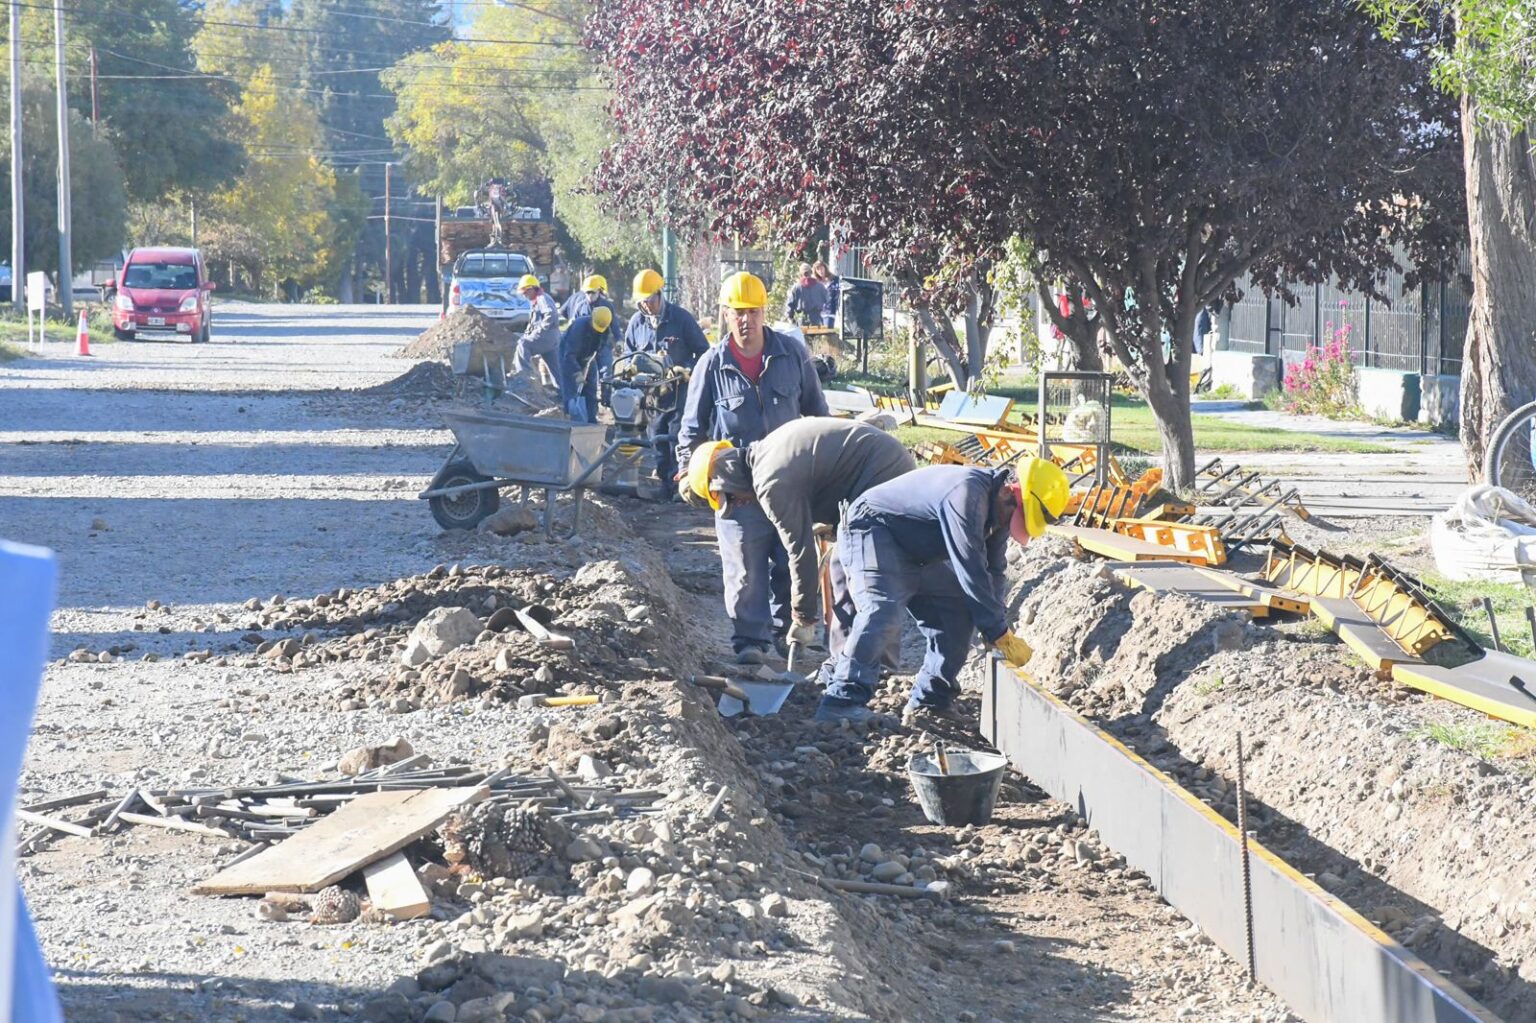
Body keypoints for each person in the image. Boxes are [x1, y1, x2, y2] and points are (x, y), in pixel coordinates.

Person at [816, 458, 1070, 724]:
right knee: (882, 607)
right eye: (1016, 517)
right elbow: (970, 569)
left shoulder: (999, 511)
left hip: (914, 549)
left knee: (957, 610)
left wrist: (999, 627)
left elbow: (993, 571)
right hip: (872, 529)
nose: (1010, 524)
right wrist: (996, 630)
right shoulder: (967, 496)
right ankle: (841, 700)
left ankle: (931, 699)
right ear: (1009, 491)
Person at [677, 271, 829, 663]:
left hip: (790, 485)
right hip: (739, 487)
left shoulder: (792, 356)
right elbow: (691, 428)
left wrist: (826, 473)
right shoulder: (711, 365)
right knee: (745, 573)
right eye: (738, 312)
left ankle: (786, 634)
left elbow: (817, 414)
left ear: (765, 312)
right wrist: (687, 472)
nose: (746, 320)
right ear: (726, 314)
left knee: (791, 563)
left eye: (754, 312)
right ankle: (751, 642)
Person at [684, 417, 915, 674]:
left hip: (882, 474)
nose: (738, 504)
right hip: (881, 466)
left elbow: (801, 553)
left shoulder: (770, 482)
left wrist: (803, 616)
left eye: (731, 499)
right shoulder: (766, 453)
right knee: (846, 567)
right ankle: (850, 665)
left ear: (726, 482)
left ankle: (868, 669)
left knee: (860, 571)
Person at [622, 268, 710, 485]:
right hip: (652, 394)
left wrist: (686, 369)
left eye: (648, 301)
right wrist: (630, 367)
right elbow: (628, 352)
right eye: (641, 302)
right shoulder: (636, 322)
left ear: (659, 294)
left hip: (679, 392)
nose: (645, 306)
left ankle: (679, 482)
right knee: (657, 436)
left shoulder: (680, 319)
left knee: (676, 435)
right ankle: (664, 479)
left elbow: (704, 352)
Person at [557, 306, 614, 423]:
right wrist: (577, 373)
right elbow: (569, 354)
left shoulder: (604, 330)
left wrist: (605, 381)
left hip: (587, 358)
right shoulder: (579, 327)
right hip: (568, 357)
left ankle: (591, 421)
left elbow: (602, 354)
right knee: (572, 391)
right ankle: (571, 420)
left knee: (591, 390)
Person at [513, 273, 561, 384]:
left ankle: (524, 377)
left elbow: (550, 314)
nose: (524, 295)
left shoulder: (542, 298)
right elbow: (533, 323)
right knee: (555, 369)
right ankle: (562, 394)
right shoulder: (537, 300)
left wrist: (540, 330)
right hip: (551, 339)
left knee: (523, 344)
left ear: (531, 289)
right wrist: (528, 333)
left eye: (525, 292)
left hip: (547, 336)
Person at [785, 262, 828, 327]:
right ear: (811, 272)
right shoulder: (820, 286)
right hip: (817, 320)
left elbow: (790, 304)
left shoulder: (796, 287)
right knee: (817, 336)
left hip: (801, 320)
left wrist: (790, 317)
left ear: (801, 274)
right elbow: (829, 301)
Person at [813, 260, 840, 329]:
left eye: (821, 268)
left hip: (830, 312)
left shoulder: (834, 280)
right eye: (818, 269)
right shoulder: (816, 283)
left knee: (827, 332)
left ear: (825, 268)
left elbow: (838, 295)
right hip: (818, 313)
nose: (820, 271)